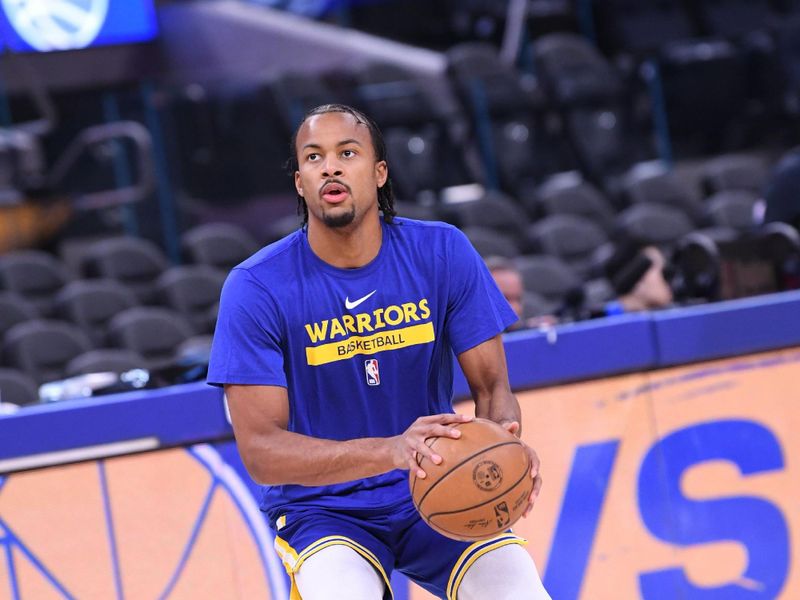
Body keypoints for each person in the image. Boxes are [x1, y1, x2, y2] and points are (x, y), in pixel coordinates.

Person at [208, 104, 550, 599]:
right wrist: (389, 451)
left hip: (432, 485)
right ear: (301, 183)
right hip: (321, 511)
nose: (330, 166)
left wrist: (499, 450)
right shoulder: (256, 287)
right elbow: (261, 451)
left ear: (379, 172)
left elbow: (493, 388)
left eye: (348, 153)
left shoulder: (442, 252)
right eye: (313, 157)